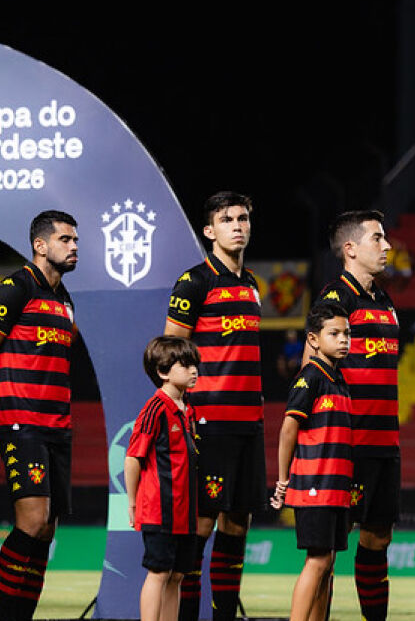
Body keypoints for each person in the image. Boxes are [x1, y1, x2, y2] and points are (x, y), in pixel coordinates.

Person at [163, 191, 264, 621]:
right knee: (201, 526)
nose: (237, 225)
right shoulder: (194, 282)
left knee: (237, 526)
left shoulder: (252, 284)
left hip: (249, 425)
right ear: (210, 231)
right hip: (209, 423)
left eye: (242, 218)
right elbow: (168, 353)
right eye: (227, 220)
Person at [0, 211, 78, 621]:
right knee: (32, 521)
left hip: (58, 426)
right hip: (21, 421)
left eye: (76, 241)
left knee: (47, 530)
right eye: (65, 239)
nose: (74, 247)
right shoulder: (15, 287)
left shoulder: (64, 300)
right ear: (40, 245)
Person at [308, 209, 400, 620]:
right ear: (350, 249)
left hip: (385, 443)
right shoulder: (335, 299)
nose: (387, 246)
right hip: (348, 446)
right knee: (329, 546)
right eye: (377, 239)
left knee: (378, 537)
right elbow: (312, 371)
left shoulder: (385, 299)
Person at [270, 303, 352, 621]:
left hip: (336, 487)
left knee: (328, 563)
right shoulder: (310, 377)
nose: (343, 339)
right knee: (317, 561)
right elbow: (288, 429)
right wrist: (282, 479)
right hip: (314, 484)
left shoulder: (339, 379)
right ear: (314, 340)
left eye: (347, 333)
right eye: (334, 333)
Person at [125, 336, 201, 621]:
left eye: (195, 364)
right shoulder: (155, 409)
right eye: (186, 365)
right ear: (163, 371)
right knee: (158, 573)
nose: (194, 371)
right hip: (160, 510)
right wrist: (132, 503)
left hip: (186, 512)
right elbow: (132, 458)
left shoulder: (189, 410)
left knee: (177, 575)